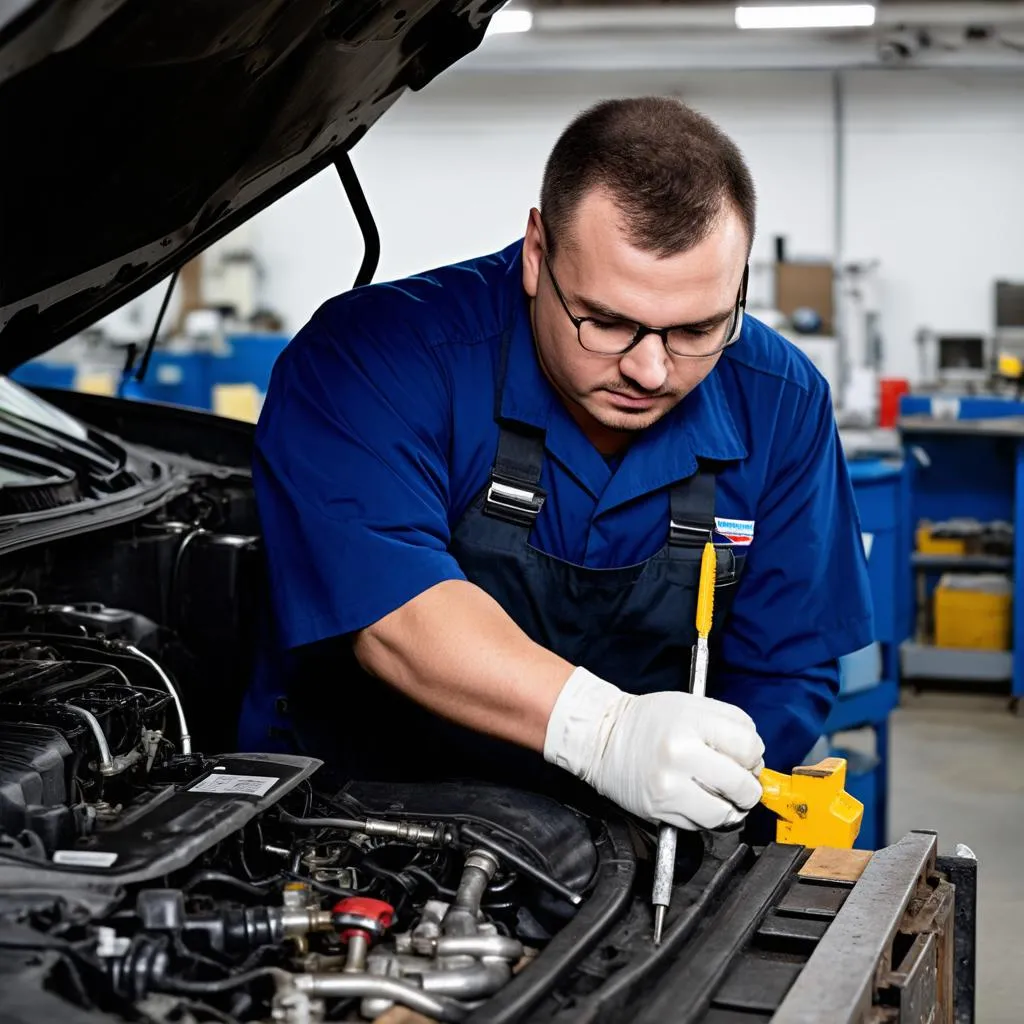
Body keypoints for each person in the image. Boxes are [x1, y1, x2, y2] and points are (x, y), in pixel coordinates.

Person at [238, 97, 874, 836]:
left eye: (699, 328)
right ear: (537, 253)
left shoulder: (781, 401)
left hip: (642, 842)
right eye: (606, 321)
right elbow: (396, 615)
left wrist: (712, 790)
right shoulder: (373, 361)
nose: (650, 369)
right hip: (366, 826)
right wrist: (607, 735)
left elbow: (785, 666)